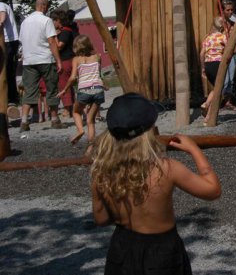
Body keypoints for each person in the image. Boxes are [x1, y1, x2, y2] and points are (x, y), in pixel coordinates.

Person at [91, 93, 221, 275]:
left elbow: (101, 219)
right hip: (162, 254)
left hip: (122, 250)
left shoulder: (101, 172)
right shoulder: (166, 168)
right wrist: (194, 149)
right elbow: (213, 190)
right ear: (150, 131)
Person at [18, 0, 62, 131]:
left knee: (29, 91)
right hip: (45, 59)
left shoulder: (25, 22)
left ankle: (24, 121)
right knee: (51, 88)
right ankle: (54, 119)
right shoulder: (46, 20)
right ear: (43, 6)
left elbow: (22, 41)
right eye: (47, 6)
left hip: (29, 60)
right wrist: (58, 60)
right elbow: (52, 42)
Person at [57, 35, 107, 146]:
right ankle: (90, 148)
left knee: (75, 112)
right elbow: (99, 75)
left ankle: (80, 130)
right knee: (91, 121)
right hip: (98, 90)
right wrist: (104, 86)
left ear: (76, 47)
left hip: (84, 90)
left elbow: (73, 77)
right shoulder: (98, 57)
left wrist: (65, 89)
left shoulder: (76, 60)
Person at [200, 17, 227, 123]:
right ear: (222, 25)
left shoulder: (207, 38)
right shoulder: (223, 37)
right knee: (218, 90)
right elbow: (231, 49)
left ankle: (207, 109)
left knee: (216, 89)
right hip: (218, 64)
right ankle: (208, 110)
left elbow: (202, 53)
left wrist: (203, 68)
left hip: (208, 64)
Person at [51, 10, 76, 117]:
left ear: (58, 20)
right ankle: (71, 107)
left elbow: (60, 46)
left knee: (63, 85)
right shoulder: (65, 31)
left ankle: (67, 109)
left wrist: (54, 36)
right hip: (67, 60)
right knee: (68, 85)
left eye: (53, 20)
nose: (52, 23)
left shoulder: (65, 31)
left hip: (66, 60)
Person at [0, 0, 21, 109]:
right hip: (7, 41)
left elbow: (2, 19)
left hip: (9, 41)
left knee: (7, 69)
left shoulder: (1, 5)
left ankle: (12, 98)